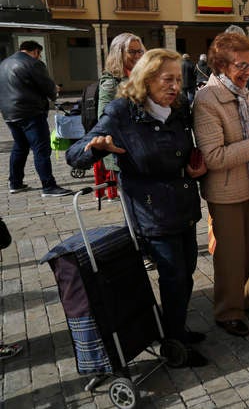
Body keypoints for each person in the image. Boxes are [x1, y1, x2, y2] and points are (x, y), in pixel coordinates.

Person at [66, 49, 208, 367]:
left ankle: (175, 327)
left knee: (185, 275)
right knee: (173, 277)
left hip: (182, 202)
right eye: (167, 79)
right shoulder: (121, 112)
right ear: (146, 79)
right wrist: (96, 149)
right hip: (151, 210)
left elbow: (185, 151)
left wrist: (195, 167)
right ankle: (174, 342)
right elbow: (74, 154)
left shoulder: (178, 108)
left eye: (177, 79)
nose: (175, 86)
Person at [193, 32, 249, 338]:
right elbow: (214, 157)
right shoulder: (207, 99)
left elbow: (248, 132)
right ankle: (228, 311)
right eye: (240, 65)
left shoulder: (240, 91)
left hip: (248, 182)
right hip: (226, 189)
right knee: (230, 255)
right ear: (221, 65)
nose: (248, 71)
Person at [0, 40, 71, 197]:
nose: (39, 57)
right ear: (35, 51)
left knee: (20, 147)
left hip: (9, 114)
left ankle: (15, 183)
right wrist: (55, 90)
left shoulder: (4, 63)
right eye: (39, 54)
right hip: (30, 112)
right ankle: (49, 186)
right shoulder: (33, 63)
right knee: (41, 149)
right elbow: (47, 86)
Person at [95, 32, 146, 201]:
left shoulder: (143, 76)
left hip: (146, 151)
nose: (138, 55)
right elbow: (104, 120)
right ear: (119, 53)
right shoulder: (111, 82)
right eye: (132, 52)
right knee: (135, 208)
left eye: (140, 51)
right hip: (125, 154)